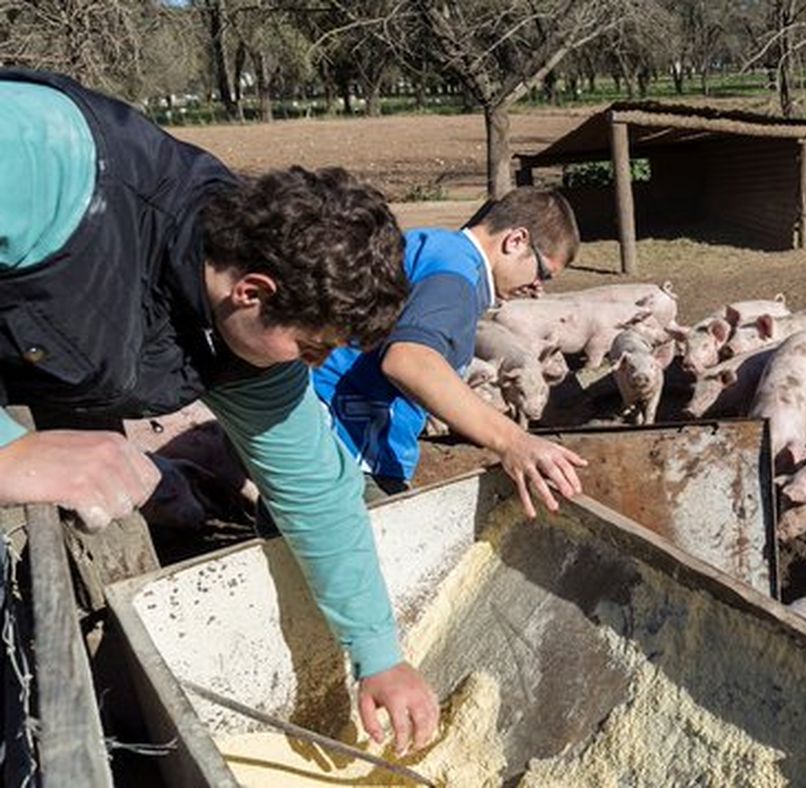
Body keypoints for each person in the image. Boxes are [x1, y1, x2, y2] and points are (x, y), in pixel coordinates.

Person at [0, 69, 442, 753]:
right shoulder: (42, 157)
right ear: (254, 292)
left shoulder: (244, 350)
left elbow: (316, 494)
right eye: (312, 347)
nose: (313, 367)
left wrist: (378, 654)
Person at [313, 188, 588, 513]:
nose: (538, 290)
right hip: (344, 453)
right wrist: (513, 441)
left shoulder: (437, 249)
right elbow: (409, 360)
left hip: (331, 441)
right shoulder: (456, 275)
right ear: (515, 240)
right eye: (542, 273)